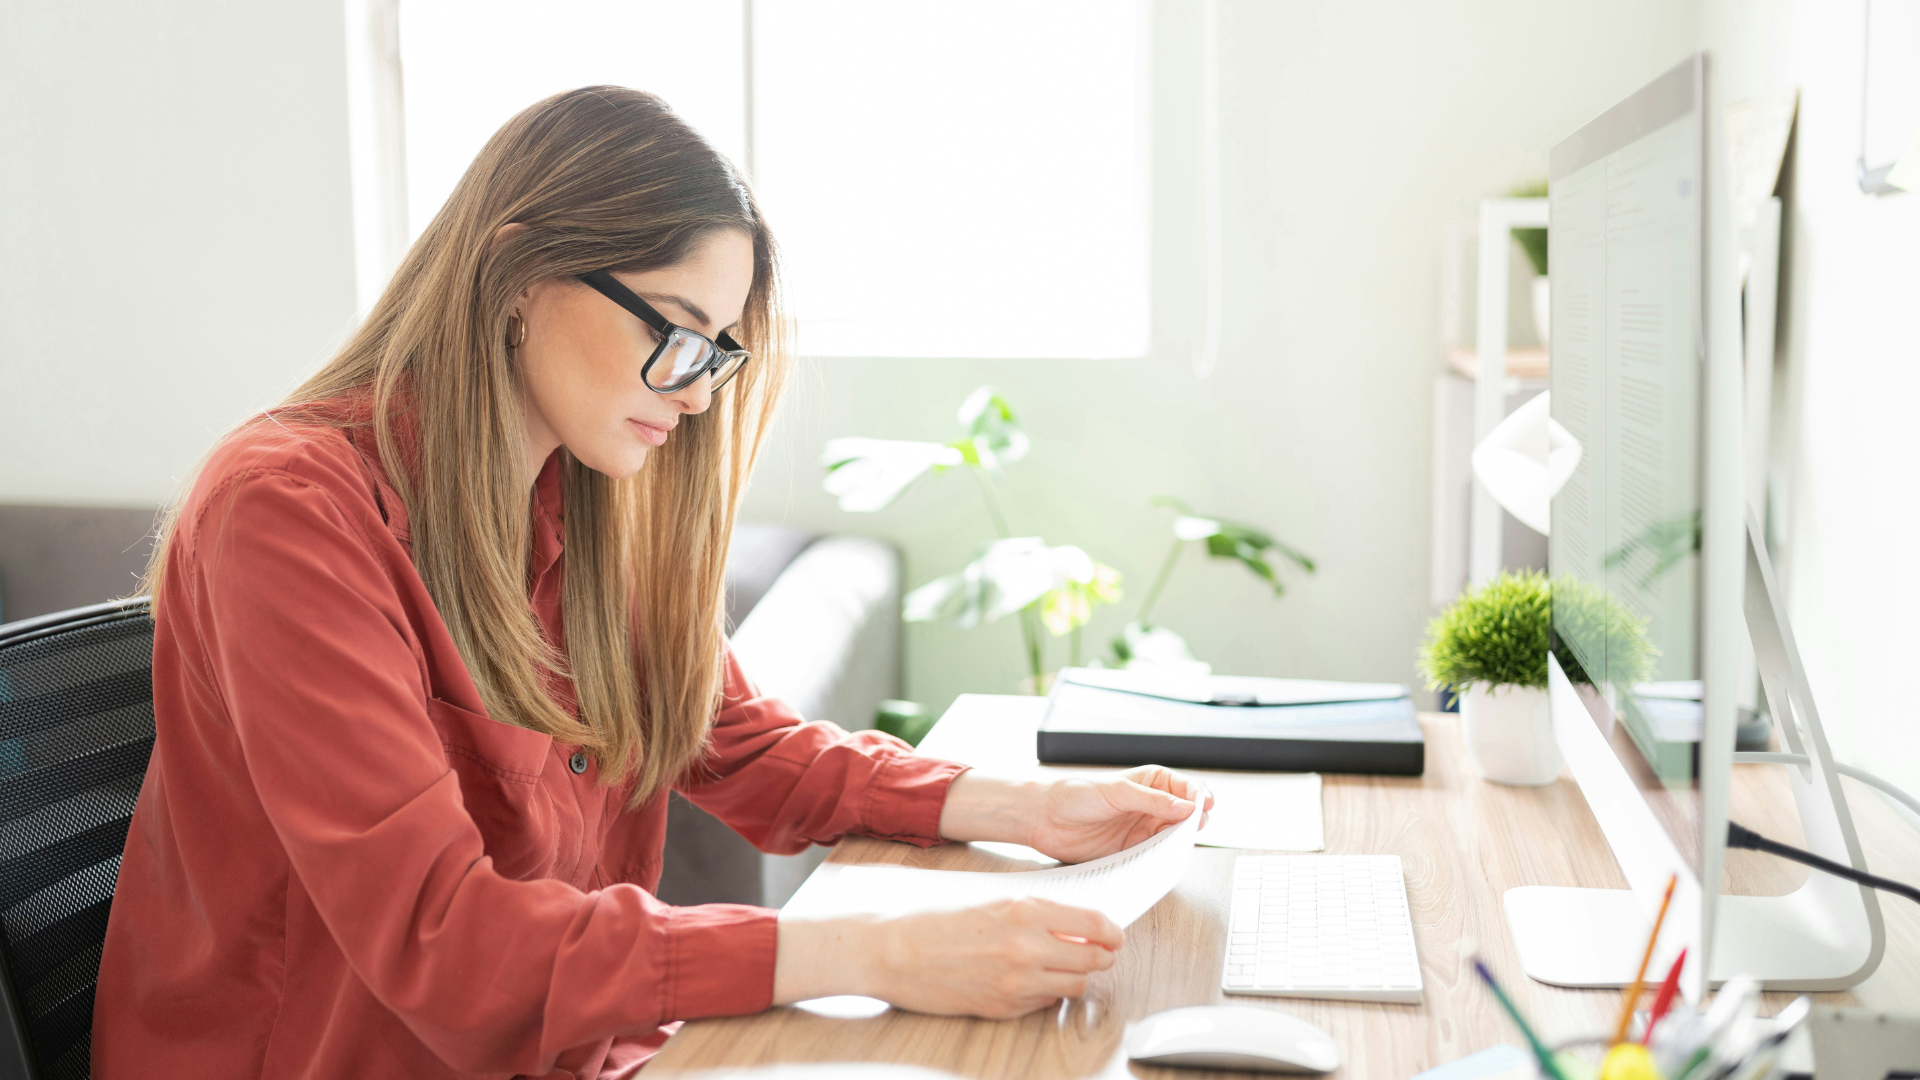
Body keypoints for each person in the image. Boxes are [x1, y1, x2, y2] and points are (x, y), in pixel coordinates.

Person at [92, 86, 1210, 1080]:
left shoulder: (578, 495)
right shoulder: (290, 510)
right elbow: (444, 941)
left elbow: (737, 742)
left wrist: (1032, 809)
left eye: (718, 351)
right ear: (520, 273)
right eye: (677, 334)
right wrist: (879, 952)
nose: (698, 394)